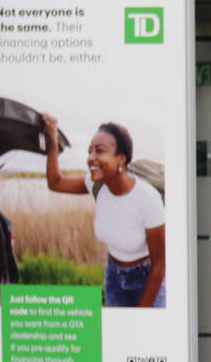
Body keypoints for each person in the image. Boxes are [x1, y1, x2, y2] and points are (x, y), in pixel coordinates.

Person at [42, 116, 166, 308]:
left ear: (121, 159)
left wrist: (142, 312)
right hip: (114, 276)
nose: (91, 157)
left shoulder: (148, 199)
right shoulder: (96, 184)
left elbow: (159, 266)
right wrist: (52, 142)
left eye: (100, 151)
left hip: (148, 279)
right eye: (90, 150)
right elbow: (55, 183)